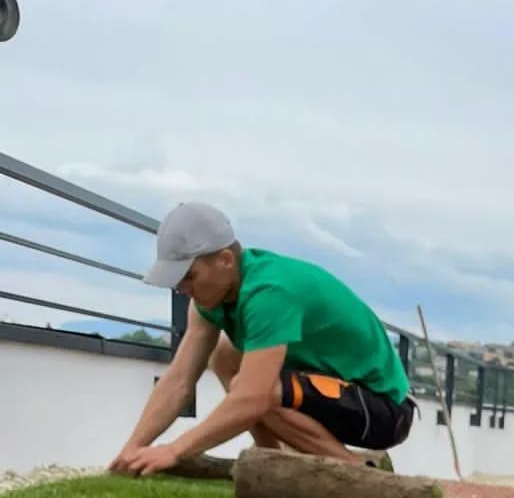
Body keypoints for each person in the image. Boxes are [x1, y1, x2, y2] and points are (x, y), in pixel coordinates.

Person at [109, 203, 417, 477]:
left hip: (384, 410)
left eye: (189, 276)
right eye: (177, 281)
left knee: (258, 389)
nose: (183, 289)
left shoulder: (269, 294)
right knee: (225, 354)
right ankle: (273, 461)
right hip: (334, 391)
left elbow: (252, 399)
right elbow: (179, 380)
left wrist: (173, 451)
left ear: (225, 260)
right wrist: (132, 450)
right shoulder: (209, 300)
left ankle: (355, 473)